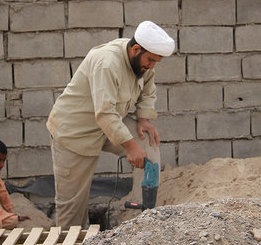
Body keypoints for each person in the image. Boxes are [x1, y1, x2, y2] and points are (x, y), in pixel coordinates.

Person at [46, 20, 175, 228]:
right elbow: (105, 113)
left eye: (156, 62)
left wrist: (143, 118)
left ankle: (146, 219)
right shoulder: (107, 63)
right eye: (150, 60)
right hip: (74, 133)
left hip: (109, 124)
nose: (152, 66)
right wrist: (130, 146)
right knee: (72, 209)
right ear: (135, 49)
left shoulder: (144, 61)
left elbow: (148, 90)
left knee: (149, 147)